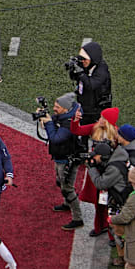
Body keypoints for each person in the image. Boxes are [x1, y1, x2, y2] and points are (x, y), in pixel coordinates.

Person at [71, 107, 120, 238]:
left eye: (104, 118)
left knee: (111, 203)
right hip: (95, 169)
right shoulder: (95, 127)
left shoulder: (117, 133)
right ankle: (100, 227)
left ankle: (111, 235)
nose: (100, 119)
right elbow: (76, 130)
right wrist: (75, 121)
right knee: (98, 202)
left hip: (110, 172)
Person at [39, 93, 85, 230]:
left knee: (67, 188)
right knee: (60, 181)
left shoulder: (69, 123)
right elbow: (53, 123)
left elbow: (55, 138)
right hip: (61, 157)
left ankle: (78, 219)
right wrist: (45, 119)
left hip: (67, 160)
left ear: (65, 108)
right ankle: (67, 203)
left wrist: (48, 123)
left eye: (57, 107)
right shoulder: (64, 116)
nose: (54, 109)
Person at [69, 41, 112, 125]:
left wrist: (81, 73)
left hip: (96, 109)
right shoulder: (86, 65)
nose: (83, 61)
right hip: (84, 104)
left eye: (85, 59)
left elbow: (91, 85)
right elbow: (74, 77)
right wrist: (73, 70)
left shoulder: (102, 70)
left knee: (93, 129)